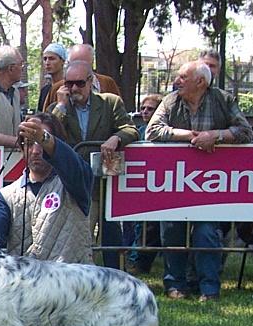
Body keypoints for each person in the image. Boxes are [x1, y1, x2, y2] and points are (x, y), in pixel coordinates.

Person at [0, 113, 94, 326]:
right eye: (29, 144)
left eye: (41, 143)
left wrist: (46, 139)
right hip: (23, 295)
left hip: (67, 290)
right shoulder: (6, 196)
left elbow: (74, 166)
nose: (35, 151)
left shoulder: (75, 184)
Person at [146, 60, 253, 302]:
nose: (177, 81)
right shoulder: (171, 101)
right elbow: (152, 131)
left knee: (207, 233)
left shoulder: (223, 100)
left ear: (201, 82)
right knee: (172, 231)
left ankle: (209, 289)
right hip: (174, 182)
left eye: (183, 77)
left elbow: (245, 131)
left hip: (211, 185)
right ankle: (175, 285)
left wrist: (216, 135)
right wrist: (189, 136)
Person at [47, 60, 138, 269]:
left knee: (111, 236)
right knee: (78, 239)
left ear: (91, 81)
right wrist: (60, 107)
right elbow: (48, 134)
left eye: (79, 83)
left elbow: (131, 129)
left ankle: (116, 275)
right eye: (69, 83)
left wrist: (116, 138)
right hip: (73, 184)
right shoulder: (57, 108)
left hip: (105, 185)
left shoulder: (110, 102)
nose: (74, 89)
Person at [126, 93, 163, 275]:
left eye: (150, 109)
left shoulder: (166, 132)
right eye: (143, 108)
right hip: (140, 185)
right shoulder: (137, 132)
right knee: (138, 226)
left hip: (162, 186)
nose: (145, 112)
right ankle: (134, 260)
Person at [41, 43, 121, 111]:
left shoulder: (107, 83)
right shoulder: (56, 89)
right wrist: (61, 106)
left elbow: (119, 113)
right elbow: (46, 120)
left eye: (83, 64)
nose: (78, 68)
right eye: (74, 64)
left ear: (92, 62)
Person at [37, 42, 66, 113]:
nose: (47, 62)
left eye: (52, 59)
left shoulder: (67, 87)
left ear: (62, 61)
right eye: (45, 59)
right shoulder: (45, 90)